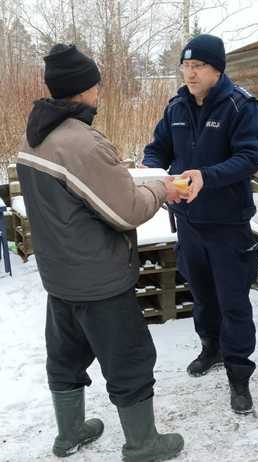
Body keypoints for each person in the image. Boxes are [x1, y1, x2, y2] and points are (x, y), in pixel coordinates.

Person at [16, 43, 186, 461]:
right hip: (100, 280)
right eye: (96, 84)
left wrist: (117, 179)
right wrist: (160, 189)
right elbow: (125, 211)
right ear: (85, 89)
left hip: (60, 277)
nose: (99, 91)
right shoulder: (81, 142)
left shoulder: (32, 135)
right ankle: (144, 444)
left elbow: (73, 198)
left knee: (66, 357)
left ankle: (69, 433)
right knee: (128, 360)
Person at [142, 34, 258, 414]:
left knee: (233, 302)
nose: (190, 73)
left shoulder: (240, 106)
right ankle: (210, 348)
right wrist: (151, 169)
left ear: (217, 69)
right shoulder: (176, 105)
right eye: (186, 66)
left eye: (198, 67)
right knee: (202, 294)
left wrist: (206, 176)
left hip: (228, 225)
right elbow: (157, 148)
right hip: (189, 223)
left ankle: (239, 376)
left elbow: (249, 157)